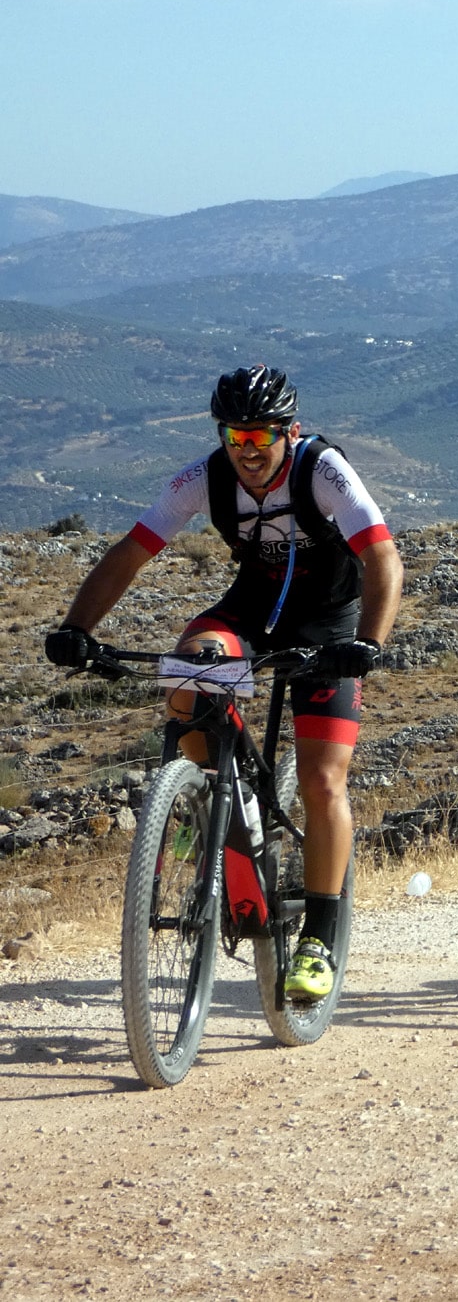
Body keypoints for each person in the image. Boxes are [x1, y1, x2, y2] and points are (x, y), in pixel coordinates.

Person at [46, 365, 402, 1003]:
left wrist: (367, 644)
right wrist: (77, 626)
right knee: (190, 674)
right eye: (236, 437)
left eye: (261, 438)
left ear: (287, 432)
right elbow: (132, 549)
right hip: (249, 613)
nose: (249, 451)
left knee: (323, 780)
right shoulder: (204, 477)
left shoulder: (322, 470)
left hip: (328, 624)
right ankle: (214, 801)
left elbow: (381, 555)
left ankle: (318, 937)